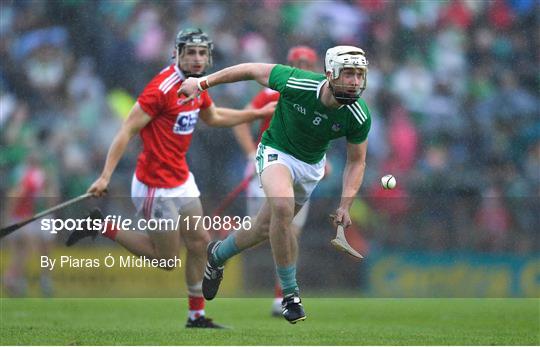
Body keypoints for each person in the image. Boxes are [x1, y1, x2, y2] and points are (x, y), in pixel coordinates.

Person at [65, 28, 274, 328]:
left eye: (202, 53)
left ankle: (196, 316)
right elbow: (126, 130)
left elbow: (213, 118)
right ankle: (103, 226)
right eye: (191, 52)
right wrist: (105, 176)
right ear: (176, 54)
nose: (198, 58)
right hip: (155, 185)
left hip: (181, 178)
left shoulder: (198, 86)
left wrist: (255, 114)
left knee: (200, 241)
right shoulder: (161, 88)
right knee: (166, 260)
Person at [179, 45, 371, 324]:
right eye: (349, 74)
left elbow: (357, 162)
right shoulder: (297, 81)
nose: (355, 81)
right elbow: (250, 69)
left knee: (261, 229)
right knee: (282, 210)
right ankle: (290, 296)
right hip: (276, 151)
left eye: (359, 75)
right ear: (330, 73)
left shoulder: (358, 114)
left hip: (310, 168)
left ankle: (217, 255)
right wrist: (202, 82)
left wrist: (345, 205)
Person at [232, 45, 324, 316]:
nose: (303, 67)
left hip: (299, 172)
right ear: (289, 64)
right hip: (268, 167)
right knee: (261, 233)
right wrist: (250, 153)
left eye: (308, 63)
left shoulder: (320, 96)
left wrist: (322, 162)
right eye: (298, 62)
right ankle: (221, 252)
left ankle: (283, 295)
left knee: (290, 230)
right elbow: (240, 120)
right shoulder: (271, 92)